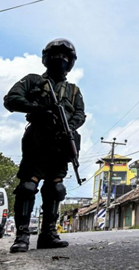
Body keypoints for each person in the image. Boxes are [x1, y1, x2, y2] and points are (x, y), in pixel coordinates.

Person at [4, 39, 85, 253]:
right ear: (46, 59)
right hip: (37, 139)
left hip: (61, 141)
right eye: (56, 55)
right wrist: (37, 109)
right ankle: (21, 235)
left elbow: (79, 114)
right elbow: (11, 99)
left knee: (55, 188)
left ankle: (48, 233)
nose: (61, 60)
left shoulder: (74, 91)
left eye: (65, 57)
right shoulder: (33, 81)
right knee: (28, 186)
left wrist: (69, 126)